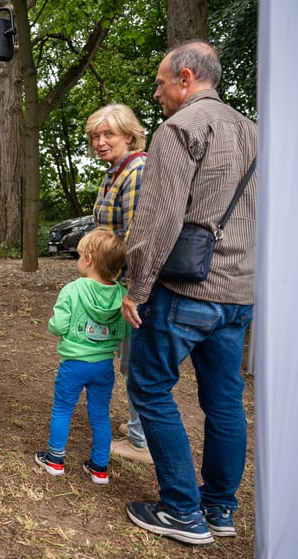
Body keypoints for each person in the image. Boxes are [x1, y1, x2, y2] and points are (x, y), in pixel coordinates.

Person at [121, 41, 257, 545]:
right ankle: (220, 509)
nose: (156, 93)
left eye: (159, 83)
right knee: (225, 402)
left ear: (184, 77)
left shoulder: (180, 129)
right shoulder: (257, 133)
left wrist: (136, 287)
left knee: (151, 387)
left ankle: (181, 510)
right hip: (241, 294)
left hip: (186, 289)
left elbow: (158, 220)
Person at [85, 103, 152, 465]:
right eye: (95, 135)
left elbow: (137, 239)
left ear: (129, 135)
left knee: (136, 363)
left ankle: (141, 441)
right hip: (116, 283)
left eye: (108, 133)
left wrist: (132, 291)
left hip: (132, 285)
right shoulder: (115, 172)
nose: (100, 141)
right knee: (128, 359)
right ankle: (138, 425)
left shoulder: (137, 171)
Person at [36, 228, 129, 485]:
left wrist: (54, 323)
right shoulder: (122, 294)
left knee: (63, 409)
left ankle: (55, 460)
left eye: (78, 256)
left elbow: (59, 326)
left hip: (74, 365)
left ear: (88, 259)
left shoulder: (72, 290)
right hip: (103, 366)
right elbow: (124, 329)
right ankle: (99, 468)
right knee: (100, 414)